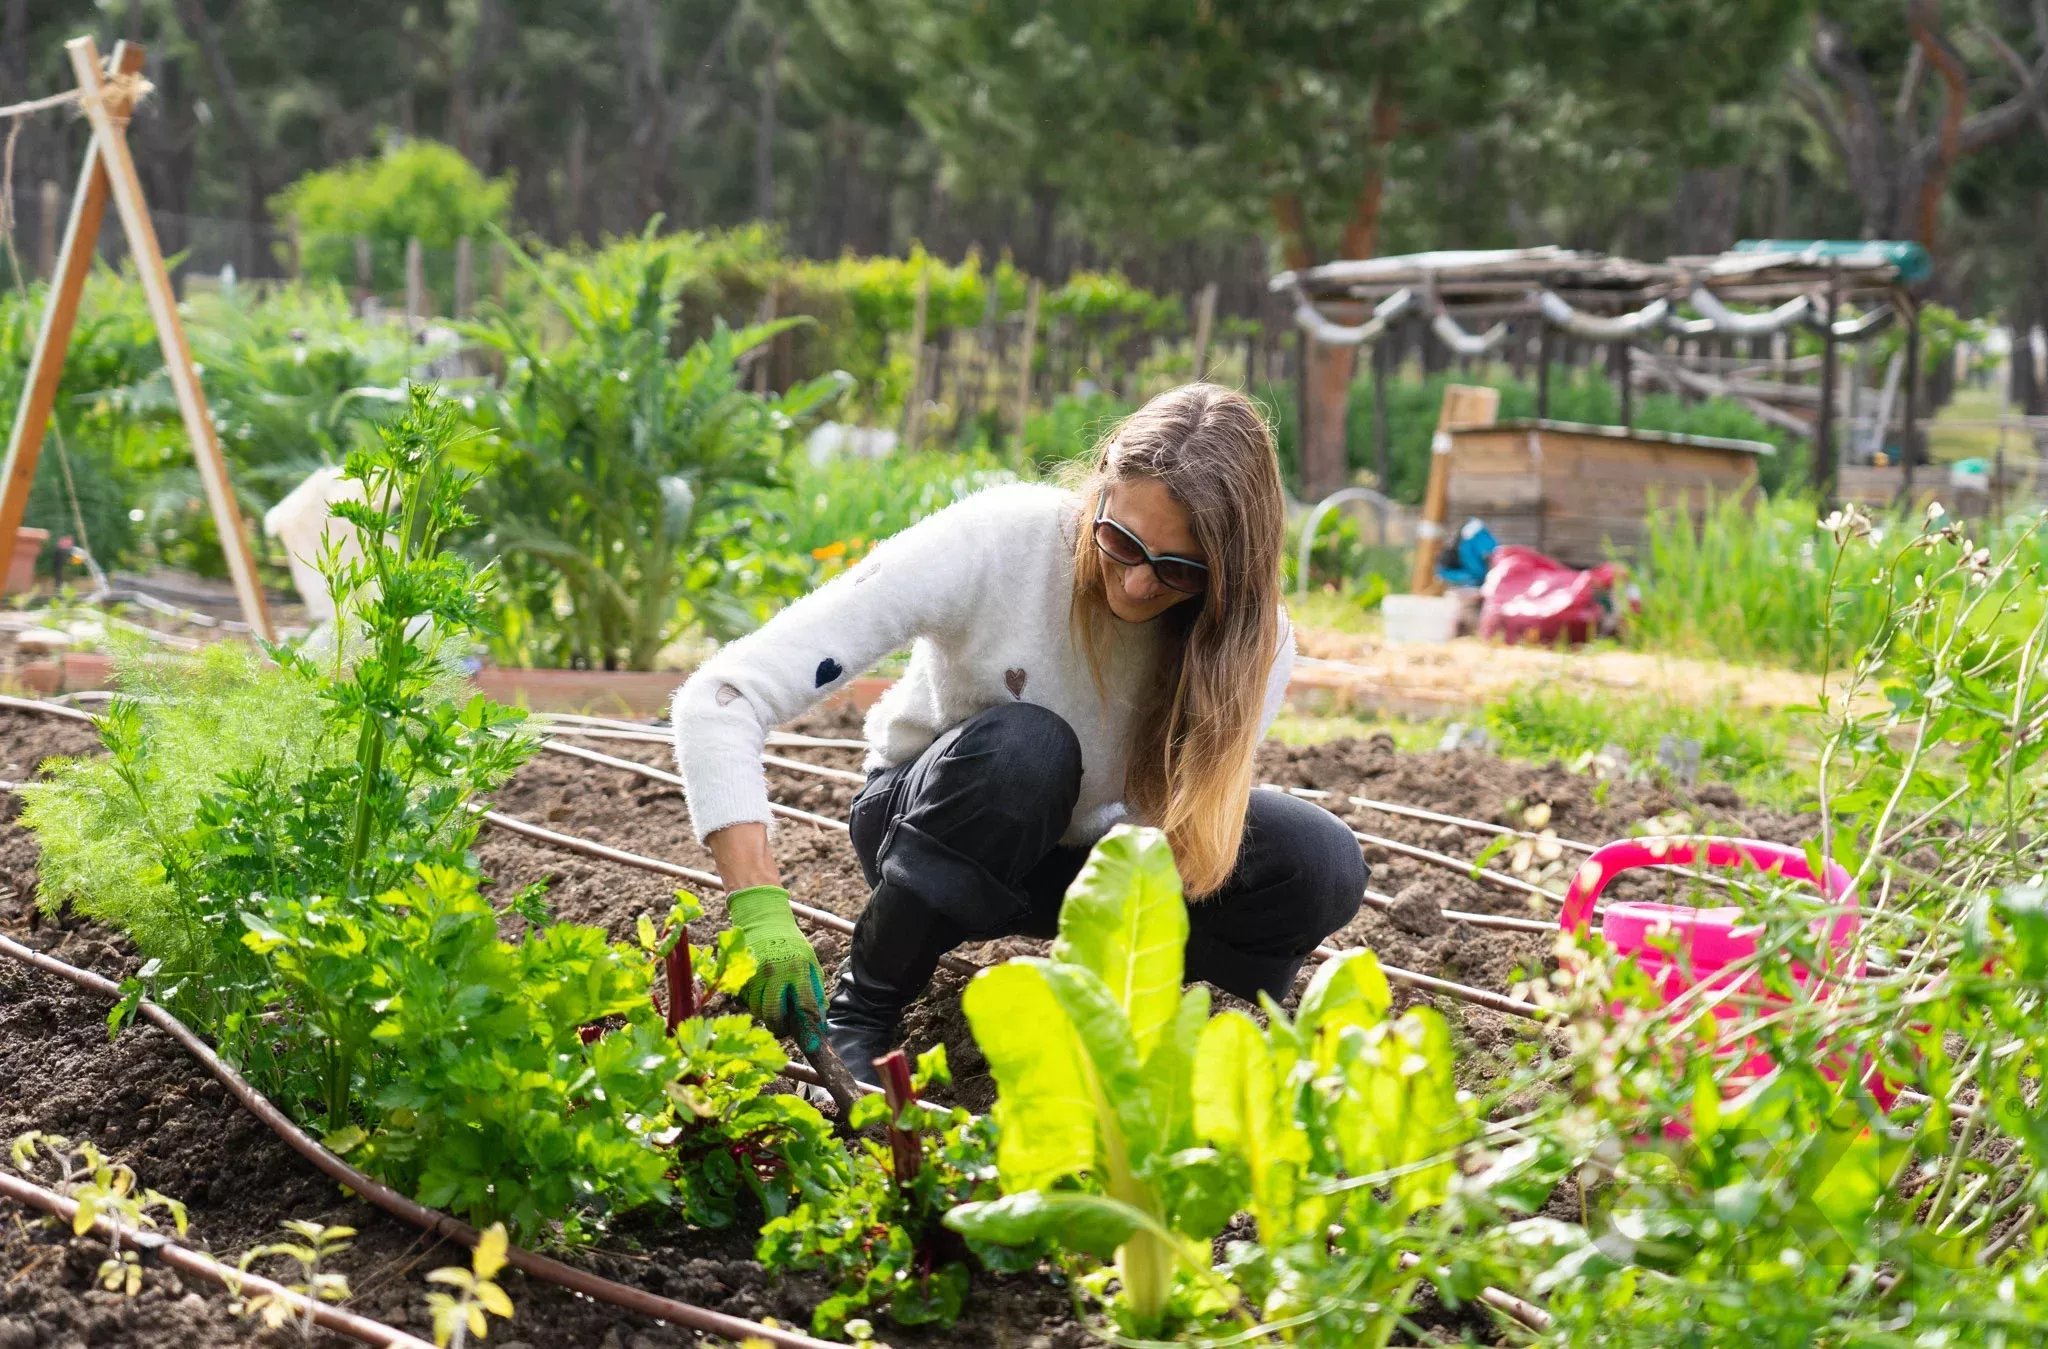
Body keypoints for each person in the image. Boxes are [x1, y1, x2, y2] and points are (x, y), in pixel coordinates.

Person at [672, 383, 1366, 1085]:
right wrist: (759, 907)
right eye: (1121, 541)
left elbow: (1164, 844)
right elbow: (722, 696)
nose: (1136, 586)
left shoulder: (1254, 642)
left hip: (1087, 864)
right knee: (1029, 749)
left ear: (1229, 574)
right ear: (1099, 490)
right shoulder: (1004, 541)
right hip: (939, 824)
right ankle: (865, 1012)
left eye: (1179, 570)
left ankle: (1192, 1037)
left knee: (1317, 860)